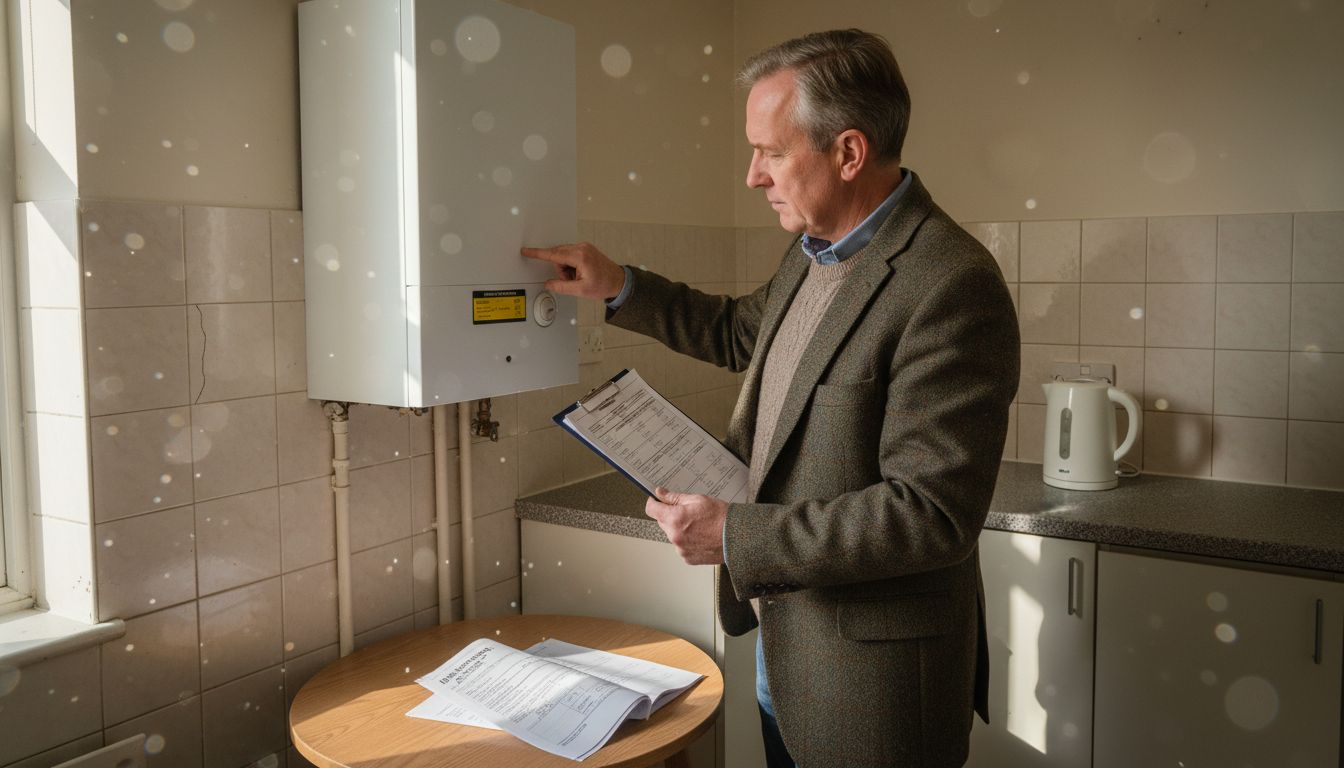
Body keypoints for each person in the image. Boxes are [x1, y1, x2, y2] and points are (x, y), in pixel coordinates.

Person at [523, 28, 1018, 768]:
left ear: (848, 153)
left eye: (771, 152)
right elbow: (739, 333)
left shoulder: (950, 284)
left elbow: (930, 515)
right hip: (789, 656)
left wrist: (736, 537)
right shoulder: (814, 251)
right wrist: (617, 285)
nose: (754, 176)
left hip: (874, 687)